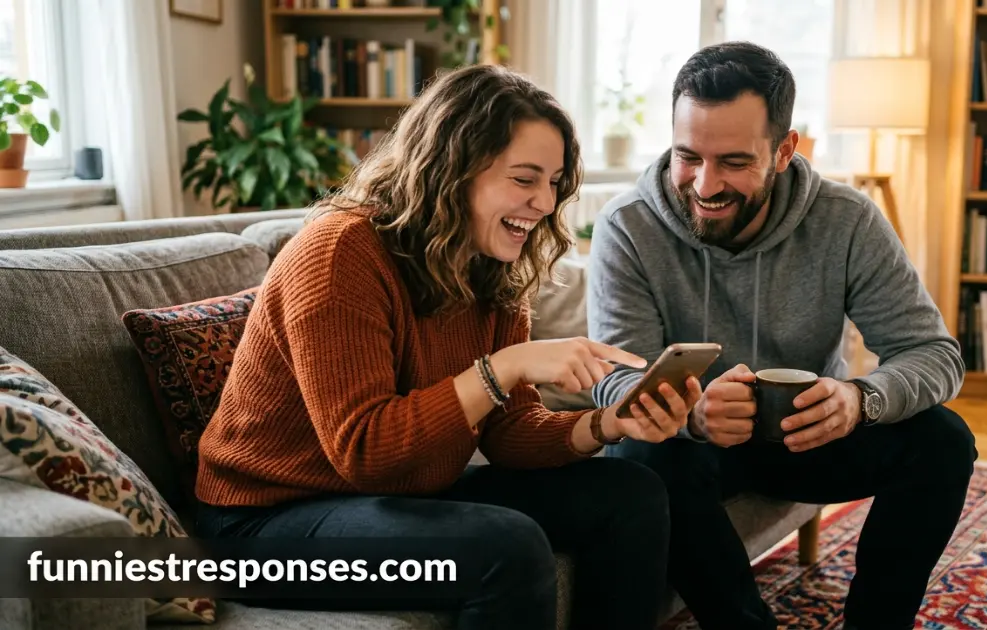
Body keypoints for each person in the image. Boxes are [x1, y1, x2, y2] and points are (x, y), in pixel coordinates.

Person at [193, 64, 702, 630]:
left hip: (397, 495)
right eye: (524, 178)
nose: (543, 202)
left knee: (631, 493)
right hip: (257, 532)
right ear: (451, 169)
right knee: (506, 546)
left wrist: (609, 424)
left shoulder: (492, 268)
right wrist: (503, 368)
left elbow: (509, 436)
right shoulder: (340, 253)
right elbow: (366, 453)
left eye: (554, 181)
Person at [588, 42, 978, 630]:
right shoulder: (629, 226)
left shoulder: (847, 220)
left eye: (735, 162)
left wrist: (859, 400)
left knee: (945, 441)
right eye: (687, 155)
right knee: (641, 453)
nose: (704, 185)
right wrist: (693, 416)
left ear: (784, 150)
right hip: (694, 455)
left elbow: (935, 355)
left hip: (804, 440)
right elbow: (616, 378)